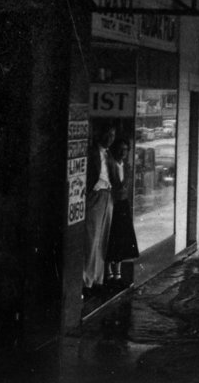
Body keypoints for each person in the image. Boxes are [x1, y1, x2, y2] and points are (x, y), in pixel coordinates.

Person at [84, 123, 116, 294]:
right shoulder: (91, 152)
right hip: (96, 196)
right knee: (91, 238)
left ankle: (98, 279)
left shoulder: (109, 154)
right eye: (108, 134)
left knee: (103, 238)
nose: (110, 138)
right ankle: (87, 280)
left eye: (113, 135)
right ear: (100, 135)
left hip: (107, 196)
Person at [106, 138, 140, 284]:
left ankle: (118, 271)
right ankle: (108, 270)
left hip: (123, 204)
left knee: (120, 237)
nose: (123, 152)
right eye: (121, 149)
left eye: (126, 149)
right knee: (110, 236)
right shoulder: (111, 164)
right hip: (112, 203)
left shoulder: (126, 166)